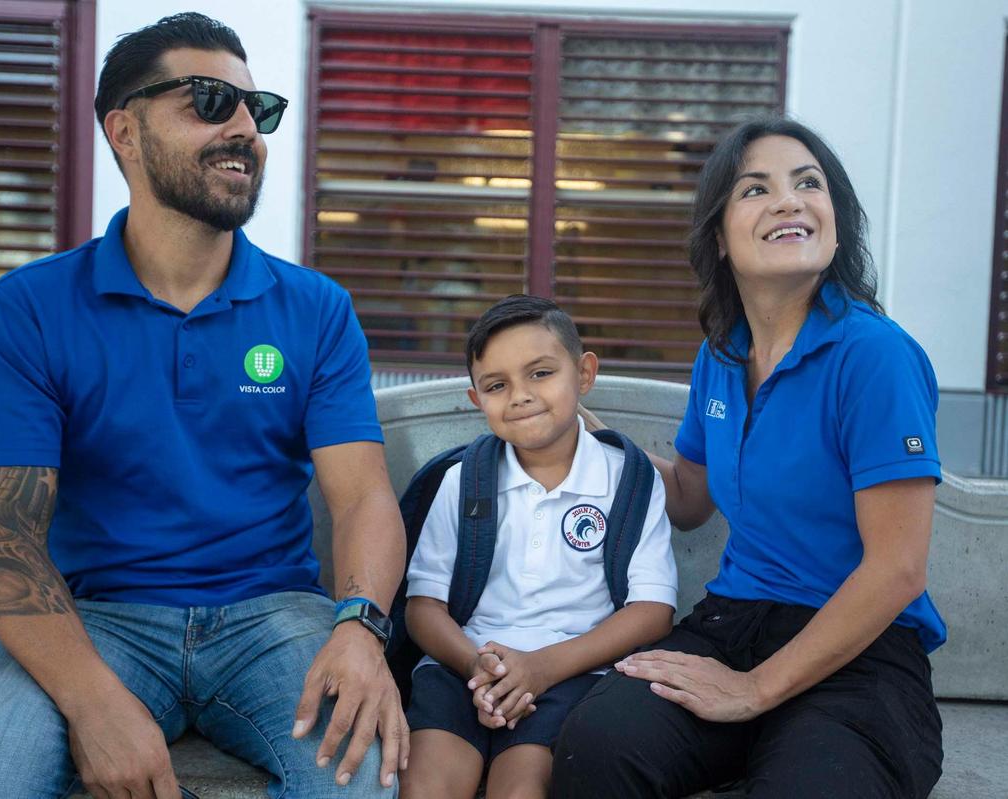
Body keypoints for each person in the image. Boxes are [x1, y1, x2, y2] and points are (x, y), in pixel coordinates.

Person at [0, 13, 407, 799]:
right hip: (94, 618)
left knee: (362, 783)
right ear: (124, 130)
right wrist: (93, 701)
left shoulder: (316, 308)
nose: (245, 127)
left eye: (259, 109)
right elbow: (1, 535)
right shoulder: (28, 310)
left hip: (274, 615)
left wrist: (359, 626)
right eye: (210, 101)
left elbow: (362, 498)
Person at [551, 117, 945, 798]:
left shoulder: (874, 355)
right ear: (720, 237)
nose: (789, 200)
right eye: (756, 189)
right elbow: (689, 500)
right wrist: (581, 428)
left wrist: (754, 689)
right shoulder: (722, 354)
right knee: (597, 746)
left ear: (836, 223)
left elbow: (898, 569)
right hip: (734, 623)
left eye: (808, 183)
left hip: (860, 650)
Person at [399, 296, 678, 799]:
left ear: (585, 373)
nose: (521, 396)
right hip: (461, 667)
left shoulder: (630, 482)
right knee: (427, 786)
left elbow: (653, 611)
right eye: (497, 385)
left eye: (541, 373)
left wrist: (542, 668)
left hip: (573, 674)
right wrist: (474, 667)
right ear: (475, 399)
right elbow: (422, 608)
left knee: (522, 790)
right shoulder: (462, 482)